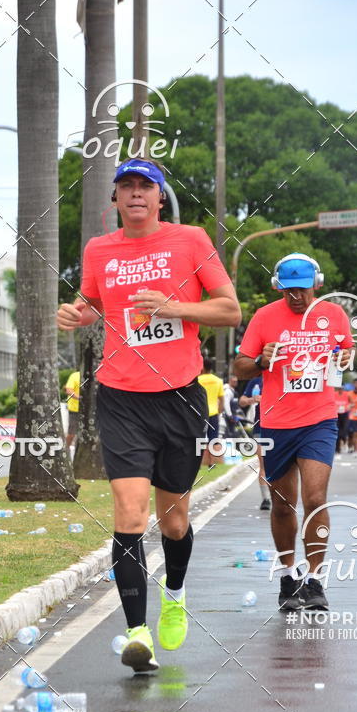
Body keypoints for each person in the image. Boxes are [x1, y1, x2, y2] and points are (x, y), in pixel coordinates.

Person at [57, 158, 240, 673]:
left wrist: (175, 308)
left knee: (174, 521)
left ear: (160, 198)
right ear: (114, 199)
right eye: (126, 186)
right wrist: (75, 313)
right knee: (130, 515)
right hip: (121, 397)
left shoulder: (191, 240)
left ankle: (174, 594)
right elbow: (93, 303)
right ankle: (137, 634)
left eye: (145, 186)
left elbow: (230, 310)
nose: (136, 193)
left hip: (180, 397)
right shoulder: (99, 249)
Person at [234, 253, 353, 612]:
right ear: (278, 287)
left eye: (302, 289)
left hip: (319, 420)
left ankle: (315, 581)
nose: (296, 297)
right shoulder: (264, 316)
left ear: (316, 284)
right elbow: (240, 367)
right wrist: (261, 360)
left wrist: (345, 357)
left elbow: (345, 351)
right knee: (283, 505)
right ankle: (289, 575)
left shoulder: (334, 314)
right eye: (288, 291)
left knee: (315, 499)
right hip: (276, 423)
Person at [239, 376, 271, 509]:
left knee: (281, 464)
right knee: (264, 464)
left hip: (281, 427)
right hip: (260, 426)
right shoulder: (255, 381)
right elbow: (242, 401)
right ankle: (266, 499)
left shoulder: (282, 377)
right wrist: (252, 399)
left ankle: (280, 497)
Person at [198, 357, 225, 466]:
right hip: (213, 413)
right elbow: (221, 399)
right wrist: (220, 411)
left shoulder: (198, 380)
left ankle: (198, 464)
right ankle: (212, 463)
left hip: (200, 413)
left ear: (202, 367)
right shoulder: (218, 380)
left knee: (199, 439)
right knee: (213, 438)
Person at [64, 369, 80, 452]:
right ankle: (65, 451)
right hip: (74, 410)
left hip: (89, 411)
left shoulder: (96, 375)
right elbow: (69, 390)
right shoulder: (75, 375)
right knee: (72, 433)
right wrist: (80, 398)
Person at [222, 373, 239, 438]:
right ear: (230, 381)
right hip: (228, 416)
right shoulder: (228, 391)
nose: (235, 383)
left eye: (236, 381)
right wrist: (230, 416)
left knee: (232, 432)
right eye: (234, 381)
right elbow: (226, 404)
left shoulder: (233, 391)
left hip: (233, 415)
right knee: (228, 433)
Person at [335, 387, 349, 454]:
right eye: (339, 388)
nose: (340, 390)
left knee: (344, 431)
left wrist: (349, 406)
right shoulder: (334, 394)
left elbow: (352, 402)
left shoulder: (347, 394)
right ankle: (337, 449)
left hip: (344, 414)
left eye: (342, 389)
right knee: (337, 431)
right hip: (337, 414)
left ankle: (345, 442)